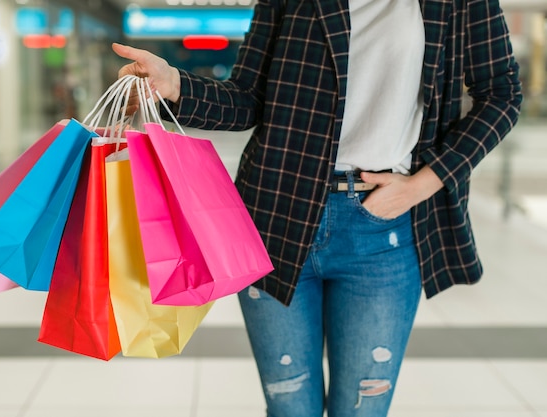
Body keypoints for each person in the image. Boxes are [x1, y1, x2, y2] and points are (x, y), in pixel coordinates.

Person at [112, 0, 522, 414]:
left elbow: (502, 93)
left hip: (383, 229)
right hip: (275, 217)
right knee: (290, 408)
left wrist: (421, 185)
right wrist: (176, 84)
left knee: (361, 409)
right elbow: (248, 97)